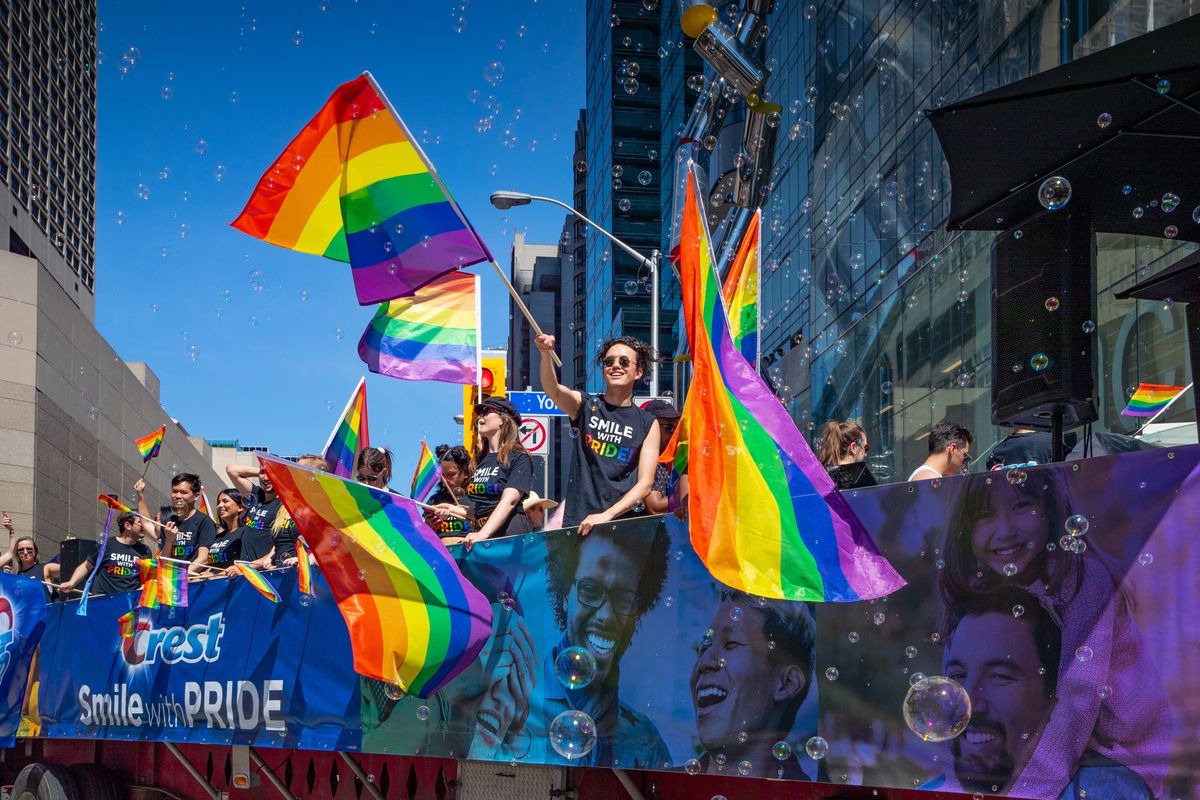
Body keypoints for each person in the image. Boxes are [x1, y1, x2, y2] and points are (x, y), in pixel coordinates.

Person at [938, 477, 1169, 799]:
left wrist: (1028, 792)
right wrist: (953, 784)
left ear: (1051, 510)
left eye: (1021, 506)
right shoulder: (977, 588)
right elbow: (956, 700)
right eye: (983, 515)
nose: (1005, 530)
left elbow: (1079, 695)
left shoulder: (1085, 580)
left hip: (1114, 753)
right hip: (1036, 740)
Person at [928, 586, 1152, 799]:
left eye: (999, 676)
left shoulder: (1102, 791)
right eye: (957, 676)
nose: (969, 701)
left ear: (1054, 695)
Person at [534, 523, 672, 767]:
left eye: (624, 599)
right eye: (590, 589)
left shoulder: (645, 740)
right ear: (566, 594)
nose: (606, 616)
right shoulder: (511, 705)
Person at [535, 334, 661, 534]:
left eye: (624, 361)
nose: (615, 366)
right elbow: (554, 391)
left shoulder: (647, 423)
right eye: (609, 361)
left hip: (622, 528)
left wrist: (607, 515)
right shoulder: (585, 405)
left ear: (638, 372)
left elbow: (645, 484)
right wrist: (545, 354)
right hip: (578, 524)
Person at [690, 590, 817, 779]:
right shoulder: (662, 788)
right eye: (704, 647)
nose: (705, 662)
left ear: (787, 683)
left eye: (731, 643)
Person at [438, 397, 534, 545]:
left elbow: (509, 501)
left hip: (510, 537)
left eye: (487, 411)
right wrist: (451, 509)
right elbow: (479, 510)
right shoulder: (481, 460)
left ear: (503, 420)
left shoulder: (519, 457)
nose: (480, 416)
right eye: (480, 413)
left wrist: (483, 533)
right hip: (485, 540)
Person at [59, 513, 156, 597]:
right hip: (103, 601)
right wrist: (72, 582)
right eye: (140, 522)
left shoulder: (145, 551)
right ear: (127, 525)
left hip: (128, 604)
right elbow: (86, 566)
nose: (144, 526)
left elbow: (148, 578)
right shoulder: (106, 544)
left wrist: (141, 590)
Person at [138, 473, 215, 569]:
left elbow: (203, 559)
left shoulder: (205, 522)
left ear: (196, 496)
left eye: (183, 492)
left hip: (192, 581)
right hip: (169, 580)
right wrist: (169, 540)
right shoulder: (168, 521)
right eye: (174, 491)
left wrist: (181, 577)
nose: (178, 496)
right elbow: (164, 561)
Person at [269, 453, 330, 566]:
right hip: (285, 572)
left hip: (309, 574)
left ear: (313, 476)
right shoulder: (289, 503)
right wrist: (270, 557)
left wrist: (309, 560)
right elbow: (282, 539)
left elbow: (332, 541)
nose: (292, 473)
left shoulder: (324, 505)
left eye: (298, 470)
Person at [423, 445, 475, 539]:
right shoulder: (434, 500)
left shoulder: (476, 498)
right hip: (441, 551)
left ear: (466, 473)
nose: (446, 480)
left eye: (451, 474)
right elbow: (423, 534)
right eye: (442, 475)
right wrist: (427, 524)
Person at [642, 399, 681, 514]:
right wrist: (692, 493)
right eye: (669, 428)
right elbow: (655, 506)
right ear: (649, 426)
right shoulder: (648, 460)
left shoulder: (667, 459)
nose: (673, 434)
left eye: (676, 428)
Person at [816, 419, 878, 489]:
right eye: (866, 448)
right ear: (854, 447)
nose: (866, 454)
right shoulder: (862, 478)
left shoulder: (823, 477)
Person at [226, 462, 282, 537]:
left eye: (271, 473)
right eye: (263, 472)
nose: (266, 478)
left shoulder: (283, 505)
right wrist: (262, 471)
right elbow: (231, 470)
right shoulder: (256, 494)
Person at [908, 420, 972, 481]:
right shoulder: (930, 478)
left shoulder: (925, 475)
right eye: (964, 454)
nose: (963, 465)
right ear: (953, 449)